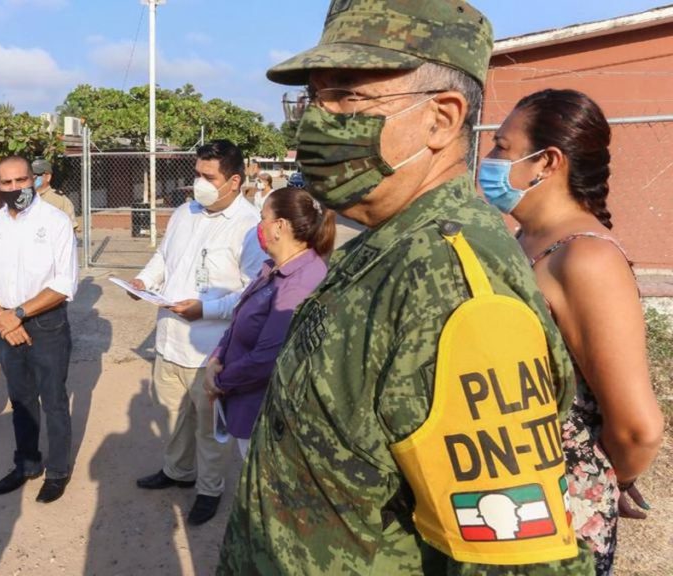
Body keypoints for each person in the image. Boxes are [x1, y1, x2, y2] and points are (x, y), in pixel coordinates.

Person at [219, 1, 595, 574]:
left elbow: (516, 558)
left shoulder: (454, 282)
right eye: (314, 98)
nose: (318, 120)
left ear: (440, 119)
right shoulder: (383, 243)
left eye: (348, 97)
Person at [480, 88, 663, 575]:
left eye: (502, 146)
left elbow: (638, 428)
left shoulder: (586, 259)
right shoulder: (525, 239)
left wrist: (601, 477)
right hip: (504, 498)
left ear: (547, 162)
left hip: (557, 519)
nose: (489, 158)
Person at [131, 139, 266, 526]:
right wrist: (143, 281)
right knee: (174, 417)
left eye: (209, 177)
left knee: (209, 429)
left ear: (234, 181)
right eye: (197, 174)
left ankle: (209, 490)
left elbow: (252, 295)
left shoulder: (249, 228)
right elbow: (163, 257)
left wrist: (204, 309)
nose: (199, 184)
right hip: (169, 342)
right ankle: (177, 471)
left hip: (211, 352)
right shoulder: (184, 212)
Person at [0, 156, 79, 504]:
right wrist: (0, 316)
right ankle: (27, 464)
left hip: (46, 323)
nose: (15, 187)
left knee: (53, 400)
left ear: (34, 180)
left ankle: (58, 471)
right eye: (7, 182)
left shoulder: (55, 221)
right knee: (20, 399)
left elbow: (64, 283)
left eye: (21, 180)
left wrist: (17, 314)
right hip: (4, 323)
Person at [203, 187, 333, 458]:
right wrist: (216, 357)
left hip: (267, 414)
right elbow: (240, 317)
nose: (258, 226)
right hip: (245, 400)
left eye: (263, 218)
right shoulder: (272, 268)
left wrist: (220, 382)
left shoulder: (301, 280)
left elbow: (268, 358)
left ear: (280, 226)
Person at [32, 158, 79, 233]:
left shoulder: (60, 200)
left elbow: (70, 230)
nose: (32, 178)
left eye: (35, 175)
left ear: (48, 177)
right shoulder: (26, 198)